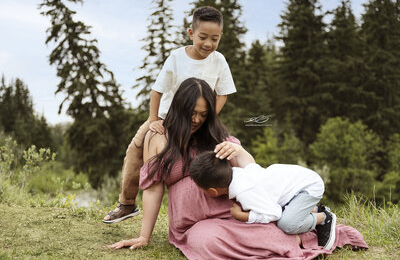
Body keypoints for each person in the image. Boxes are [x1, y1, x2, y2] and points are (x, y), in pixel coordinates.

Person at [110, 78, 368, 259]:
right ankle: (302, 234)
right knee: (206, 242)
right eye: (193, 113)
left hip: (233, 213)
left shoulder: (213, 133)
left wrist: (238, 151)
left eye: (204, 114)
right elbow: (153, 189)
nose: (198, 119)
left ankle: (311, 231)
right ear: (179, 107)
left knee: (273, 226)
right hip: (193, 225)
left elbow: (251, 168)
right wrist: (144, 236)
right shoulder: (158, 138)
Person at [103, 6, 236, 223]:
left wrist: (208, 118)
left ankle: (227, 206)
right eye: (203, 37)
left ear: (221, 37)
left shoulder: (219, 60)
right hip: (168, 118)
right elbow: (157, 91)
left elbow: (223, 94)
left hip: (199, 119)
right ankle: (127, 204)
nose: (208, 44)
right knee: (135, 149)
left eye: (215, 39)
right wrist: (154, 120)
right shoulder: (176, 57)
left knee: (225, 150)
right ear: (191, 33)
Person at [189, 143, 337, 250]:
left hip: (308, 187)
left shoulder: (245, 193)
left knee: (287, 224)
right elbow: (247, 161)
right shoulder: (240, 173)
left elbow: (274, 214)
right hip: (297, 183)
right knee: (285, 210)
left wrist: (243, 216)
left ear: (213, 191)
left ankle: (323, 217)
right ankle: (312, 209)